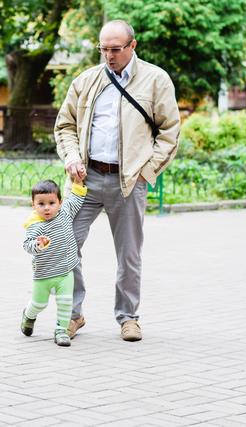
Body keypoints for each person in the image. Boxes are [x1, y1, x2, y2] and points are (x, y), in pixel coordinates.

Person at [54, 19, 180, 341]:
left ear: (132, 46)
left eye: (115, 49)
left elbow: (170, 132)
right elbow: (65, 126)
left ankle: (128, 317)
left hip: (128, 182)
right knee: (65, 247)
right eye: (103, 49)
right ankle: (72, 315)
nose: (108, 56)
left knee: (129, 255)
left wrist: (145, 172)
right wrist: (71, 157)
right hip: (85, 180)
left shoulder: (156, 80)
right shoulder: (86, 80)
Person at [20, 179, 87, 347]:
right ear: (33, 204)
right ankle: (28, 315)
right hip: (43, 273)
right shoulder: (35, 226)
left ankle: (61, 331)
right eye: (41, 204)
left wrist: (78, 183)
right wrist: (38, 245)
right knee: (39, 304)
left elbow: (76, 199)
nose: (47, 208)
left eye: (51, 203)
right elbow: (27, 245)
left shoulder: (65, 213)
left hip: (65, 271)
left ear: (60, 202)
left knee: (65, 302)